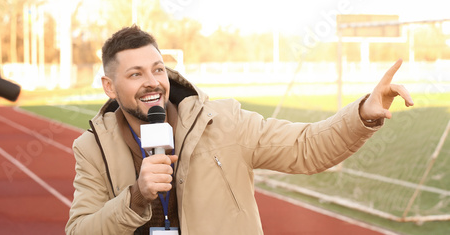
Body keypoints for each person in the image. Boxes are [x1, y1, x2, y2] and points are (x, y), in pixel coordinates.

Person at [65, 25, 414, 235]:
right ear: (109, 87)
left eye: (157, 69)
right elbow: (81, 231)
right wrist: (136, 195)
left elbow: (306, 147)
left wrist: (364, 114)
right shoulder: (92, 148)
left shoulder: (223, 121)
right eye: (135, 74)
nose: (153, 82)